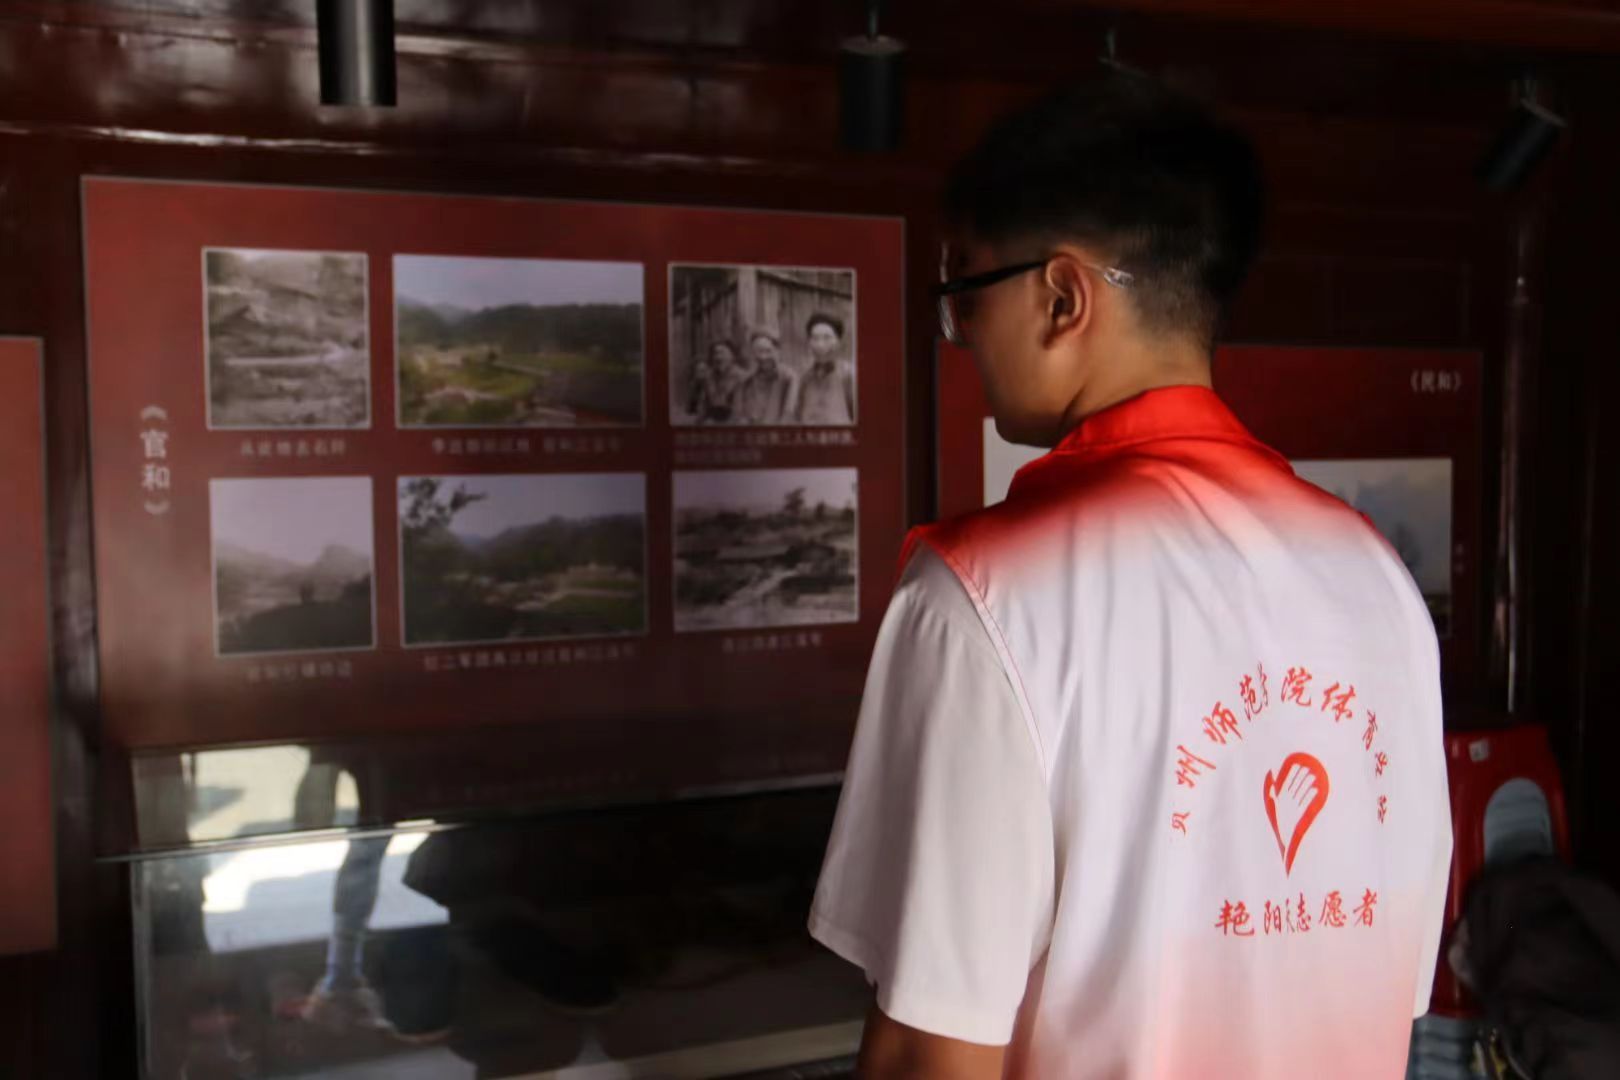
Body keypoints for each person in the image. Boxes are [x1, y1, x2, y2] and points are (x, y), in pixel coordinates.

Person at [809, 76, 1452, 1080]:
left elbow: (928, 1052)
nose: (962, 335)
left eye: (966, 293)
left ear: (1062, 297)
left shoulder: (984, 593)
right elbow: (1389, 988)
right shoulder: (1380, 583)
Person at [795, 313, 856, 425]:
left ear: (838, 341)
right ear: (809, 342)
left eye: (827, 338)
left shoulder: (850, 375)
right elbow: (798, 417)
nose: (820, 345)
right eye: (815, 338)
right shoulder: (805, 378)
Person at [735, 329, 798, 425]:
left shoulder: (789, 378)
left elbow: (788, 414)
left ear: (777, 351)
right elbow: (740, 416)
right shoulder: (746, 381)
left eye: (768, 351)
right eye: (758, 352)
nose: (763, 357)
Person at [690, 339, 745, 425]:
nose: (718, 357)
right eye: (715, 353)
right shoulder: (708, 376)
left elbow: (738, 411)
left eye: (723, 353)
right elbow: (703, 406)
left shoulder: (742, 377)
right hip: (711, 422)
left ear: (733, 356)